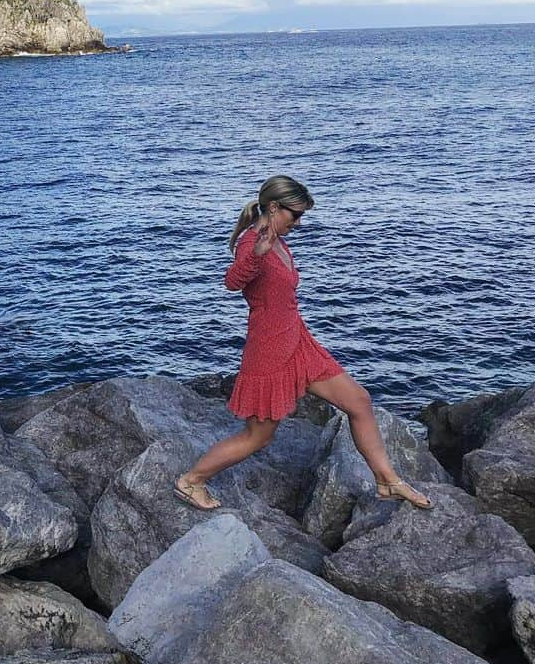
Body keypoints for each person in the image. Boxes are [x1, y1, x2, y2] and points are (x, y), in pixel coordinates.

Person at [173, 174, 433, 512]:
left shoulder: (278, 239)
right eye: (295, 215)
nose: (299, 222)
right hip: (269, 349)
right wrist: (256, 253)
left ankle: (387, 481)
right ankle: (191, 481)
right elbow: (233, 281)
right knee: (258, 436)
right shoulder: (253, 242)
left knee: (359, 401)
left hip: (297, 341)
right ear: (274, 207)